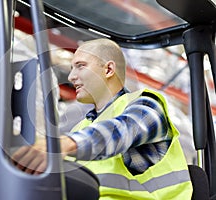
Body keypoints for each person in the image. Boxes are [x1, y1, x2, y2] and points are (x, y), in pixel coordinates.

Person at [12, 38, 193, 199]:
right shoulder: (82, 127)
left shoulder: (146, 105)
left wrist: (65, 144)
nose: (71, 76)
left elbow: (123, 131)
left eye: (81, 66)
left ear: (108, 69)